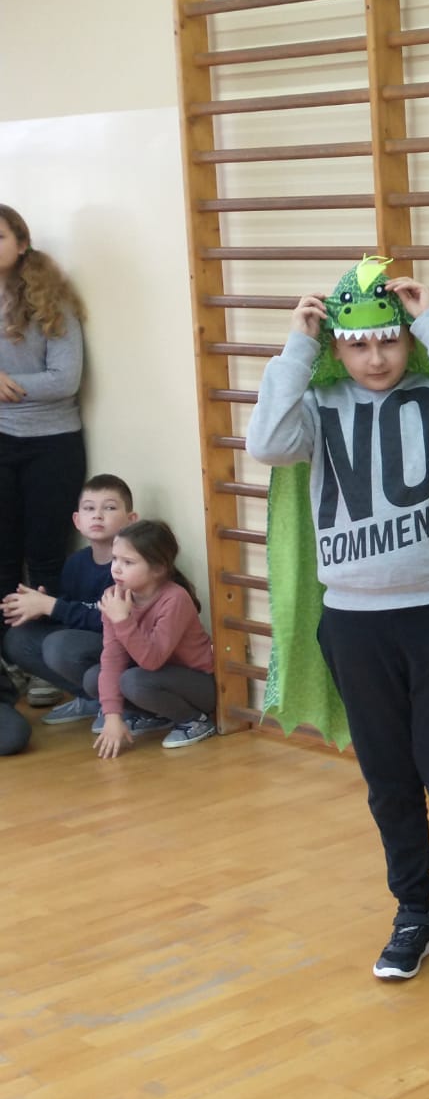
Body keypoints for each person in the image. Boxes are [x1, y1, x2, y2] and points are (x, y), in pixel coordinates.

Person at [246, 258, 429, 981]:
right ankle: (413, 911)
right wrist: (297, 347)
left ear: (407, 340)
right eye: (357, 344)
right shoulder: (315, 407)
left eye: (389, 340)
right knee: (389, 779)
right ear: (336, 348)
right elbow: (265, 443)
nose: (375, 357)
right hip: (356, 624)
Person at [0, 206, 88, 611]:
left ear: (22, 244)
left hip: (53, 444)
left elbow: (64, 380)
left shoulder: (52, 301)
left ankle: (41, 644)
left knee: (46, 559)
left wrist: (7, 385)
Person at [2, 473, 135, 726]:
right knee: (18, 638)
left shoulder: (130, 564)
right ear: (77, 520)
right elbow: (70, 612)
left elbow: (113, 622)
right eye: (89, 508)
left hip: (123, 648)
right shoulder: (76, 562)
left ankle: (128, 705)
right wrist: (42, 609)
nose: (97, 515)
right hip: (88, 645)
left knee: (59, 645)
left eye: (109, 508)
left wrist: (53, 606)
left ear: (131, 520)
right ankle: (93, 698)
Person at [91, 520, 217, 758]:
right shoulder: (114, 596)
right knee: (94, 678)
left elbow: (152, 660)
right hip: (157, 678)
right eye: (115, 559)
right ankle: (156, 715)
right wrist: (112, 716)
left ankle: (195, 720)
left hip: (199, 685)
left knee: (132, 681)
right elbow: (112, 658)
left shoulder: (175, 599)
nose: (116, 568)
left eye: (128, 562)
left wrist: (123, 620)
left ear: (158, 568)